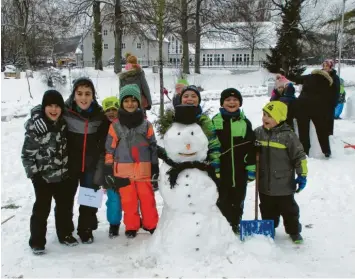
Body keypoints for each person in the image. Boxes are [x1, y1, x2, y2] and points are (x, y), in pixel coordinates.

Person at [29, 77, 109, 244]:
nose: (83, 98)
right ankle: (65, 231)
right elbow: (45, 107)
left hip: (90, 166)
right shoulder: (65, 110)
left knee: (89, 200)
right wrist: (37, 116)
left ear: (93, 96)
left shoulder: (99, 116)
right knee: (65, 203)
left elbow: (116, 120)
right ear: (74, 95)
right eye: (79, 93)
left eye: (88, 94)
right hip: (67, 165)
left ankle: (86, 229)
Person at [21, 90, 77, 255]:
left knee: (65, 207)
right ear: (44, 107)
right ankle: (37, 241)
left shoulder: (64, 123)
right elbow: (27, 155)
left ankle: (65, 234)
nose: (54, 110)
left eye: (57, 106)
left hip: (63, 175)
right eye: (50, 106)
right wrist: (34, 175)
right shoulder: (37, 128)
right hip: (43, 178)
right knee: (41, 209)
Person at [104, 84, 159, 239]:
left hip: (143, 170)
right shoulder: (115, 126)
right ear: (121, 103)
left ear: (139, 103)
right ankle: (132, 226)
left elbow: (153, 146)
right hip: (123, 172)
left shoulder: (146, 124)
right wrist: (108, 168)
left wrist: (155, 167)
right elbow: (109, 149)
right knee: (129, 202)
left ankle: (151, 224)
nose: (130, 103)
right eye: (126, 100)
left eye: (133, 100)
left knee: (147, 199)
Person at [255, 101, 308, 244]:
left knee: (289, 211)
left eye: (269, 116)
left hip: (284, 184)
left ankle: (294, 231)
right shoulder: (258, 133)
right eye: (264, 114)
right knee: (266, 209)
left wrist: (302, 175)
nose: (265, 118)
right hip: (264, 183)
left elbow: (299, 156)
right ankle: (269, 227)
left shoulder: (288, 136)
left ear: (279, 118)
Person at [212, 88, 256, 235]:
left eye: (235, 100)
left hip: (239, 169)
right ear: (222, 103)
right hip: (222, 169)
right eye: (228, 100)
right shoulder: (216, 121)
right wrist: (214, 166)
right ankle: (224, 225)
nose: (232, 102)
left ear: (240, 103)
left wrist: (250, 167)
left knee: (238, 198)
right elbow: (211, 145)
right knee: (222, 198)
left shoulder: (244, 123)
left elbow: (250, 146)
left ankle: (236, 222)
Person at [180, 85, 221, 177]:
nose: (189, 99)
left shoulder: (204, 121)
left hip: (201, 167)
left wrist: (215, 166)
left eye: (194, 96)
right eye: (186, 96)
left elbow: (214, 144)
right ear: (181, 100)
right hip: (180, 167)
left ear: (198, 100)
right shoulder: (174, 120)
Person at [294, 69, 333, 158]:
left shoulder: (309, 76)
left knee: (303, 130)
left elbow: (296, 79)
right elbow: (329, 97)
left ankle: (305, 151)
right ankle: (326, 150)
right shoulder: (327, 81)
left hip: (302, 105)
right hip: (318, 107)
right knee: (321, 129)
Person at [101, 96, 122, 238]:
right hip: (108, 168)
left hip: (125, 166)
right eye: (107, 110)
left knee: (130, 197)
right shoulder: (100, 127)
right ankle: (114, 224)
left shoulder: (124, 125)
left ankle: (134, 221)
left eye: (114, 109)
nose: (111, 113)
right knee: (113, 198)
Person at [322, 59, 340, 135]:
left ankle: (329, 133)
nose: (324, 67)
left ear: (331, 67)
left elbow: (336, 91)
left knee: (328, 119)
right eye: (323, 66)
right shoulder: (320, 75)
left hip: (329, 102)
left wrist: (334, 102)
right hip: (319, 101)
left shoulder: (335, 77)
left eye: (326, 66)